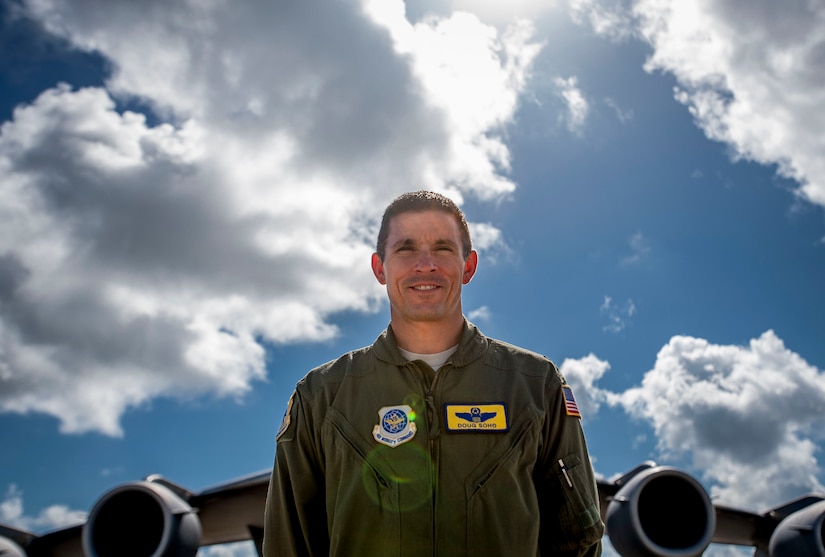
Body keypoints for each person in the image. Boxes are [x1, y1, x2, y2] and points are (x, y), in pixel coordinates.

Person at [263, 190, 603, 556]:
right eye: (405, 249)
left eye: (442, 248)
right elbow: (288, 544)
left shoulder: (537, 386)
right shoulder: (322, 397)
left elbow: (578, 542)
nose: (425, 265)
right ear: (380, 268)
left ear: (468, 266)